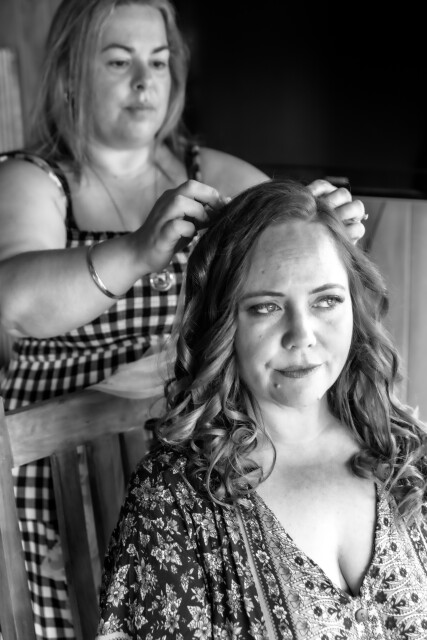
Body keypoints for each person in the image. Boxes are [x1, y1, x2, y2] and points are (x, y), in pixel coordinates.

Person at [0, 0, 366, 637]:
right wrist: (137, 250)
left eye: (159, 61)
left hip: (189, 460)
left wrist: (327, 229)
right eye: (120, 62)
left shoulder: (211, 171)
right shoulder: (33, 180)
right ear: (69, 76)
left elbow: (290, 238)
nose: (146, 81)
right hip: (58, 481)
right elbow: (14, 303)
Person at [96, 178, 427, 640]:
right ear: (222, 323)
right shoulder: (173, 498)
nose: (302, 335)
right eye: (266, 307)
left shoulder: (408, 454)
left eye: (327, 300)